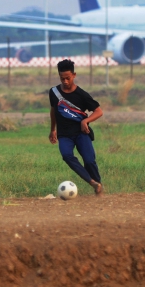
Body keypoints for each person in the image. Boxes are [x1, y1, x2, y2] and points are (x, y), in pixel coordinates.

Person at [49, 59, 104, 196]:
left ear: (74, 75)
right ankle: (92, 182)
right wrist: (52, 129)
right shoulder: (54, 92)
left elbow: (99, 111)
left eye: (68, 78)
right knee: (67, 156)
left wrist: (86, 121)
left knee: (89, 161)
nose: (65, 81)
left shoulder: (82, 95)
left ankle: (98, 187)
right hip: (64, 135)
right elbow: (53, 111)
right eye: (62, 79)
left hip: (81, 133)